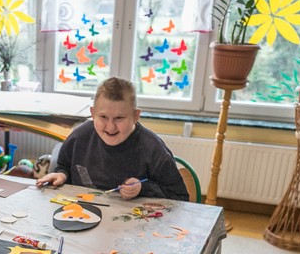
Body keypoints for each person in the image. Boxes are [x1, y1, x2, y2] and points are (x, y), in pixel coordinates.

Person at [36, 77, 188, 201]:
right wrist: (62, 175)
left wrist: (143, 188)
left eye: (119, 118)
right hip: (82, 215)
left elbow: (179, 196)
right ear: (93, 113)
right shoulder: (79, 137)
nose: (110, 127)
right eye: (103, 117)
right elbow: (64, 166)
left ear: (135, 116)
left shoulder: (153, 149)